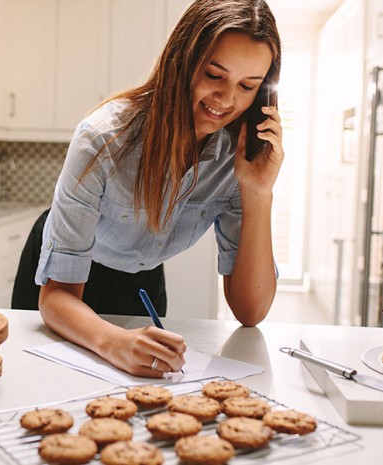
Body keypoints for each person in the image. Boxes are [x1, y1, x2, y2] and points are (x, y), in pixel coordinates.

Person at [34, 0, 284, 378]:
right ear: (181, 62)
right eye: (214, 75)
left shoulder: (237, 158)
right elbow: (56, 296)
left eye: (248, 86)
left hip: (143, 282)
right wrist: (114, 341)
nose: (227, 100)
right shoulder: (102, 139)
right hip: (68, 286)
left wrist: (258, 192)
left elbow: (251, 311)